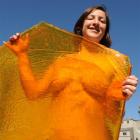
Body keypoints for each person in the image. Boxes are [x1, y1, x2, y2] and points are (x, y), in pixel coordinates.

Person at [4, 5, 138, 140]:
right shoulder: (62, 62)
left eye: (102, 21)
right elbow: (33, 93)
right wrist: (22, 56)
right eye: (91, 18)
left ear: (105, 31)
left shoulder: (114, 64)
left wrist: (121, 96)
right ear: (81, 26)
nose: (96, 22)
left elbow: (113, 117)